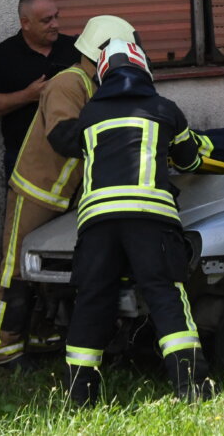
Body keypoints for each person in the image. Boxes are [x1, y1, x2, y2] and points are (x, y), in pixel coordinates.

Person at [47, 39, 213, 405]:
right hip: (150, 220)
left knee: (91, 302)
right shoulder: (164, 109)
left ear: (103, 75)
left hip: (97, 223)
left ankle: (78, 397)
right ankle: (192, 390)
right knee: (166, 295)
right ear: (144, 69)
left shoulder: (89, 115)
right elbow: (189, 161)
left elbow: (72, 145)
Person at [0, 15, 139, 370]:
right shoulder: (68, 84)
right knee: (17, 273)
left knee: (54, 272)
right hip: (37, 193)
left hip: (70, 195)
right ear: (103, 53)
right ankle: (4, 350)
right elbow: (64, 137)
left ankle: (43, 337)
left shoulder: (94, 85)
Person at [0, 0, 80, 176]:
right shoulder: (1, 56)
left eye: (56, 17)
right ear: (25, 23)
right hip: (25, 157)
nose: (55, 24)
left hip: (73, 153)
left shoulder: (74, 49)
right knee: (23, 206)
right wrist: (28, 96)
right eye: (47, 20)